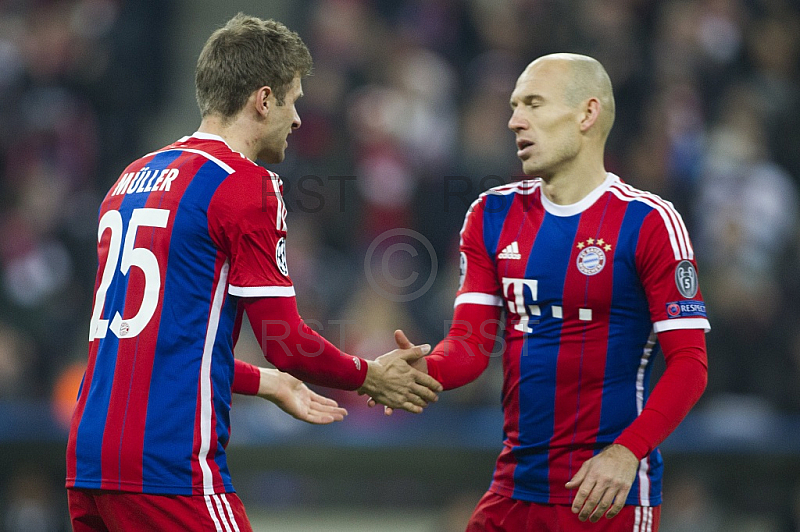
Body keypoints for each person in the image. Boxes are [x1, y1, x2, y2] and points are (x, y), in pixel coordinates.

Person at [66, 13, 442, 532]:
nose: (298, 119)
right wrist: (370, 375)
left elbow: (154, 341)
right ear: (264, 100)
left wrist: (266, 382)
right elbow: (285, 340)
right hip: (169, 464)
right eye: (294, 100)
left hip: (89, 462)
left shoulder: (131, 177)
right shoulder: (246, 186)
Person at [418, 53, 709, 531]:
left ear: (587, 114)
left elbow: (690, 365)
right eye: (514, 106)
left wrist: (626, 453)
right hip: (513, 487)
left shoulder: (650, 221)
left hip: (604, 495)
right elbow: (468, 348)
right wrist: (417, 371)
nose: (514, 120)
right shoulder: (490, 215)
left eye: (533, 103)